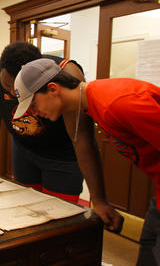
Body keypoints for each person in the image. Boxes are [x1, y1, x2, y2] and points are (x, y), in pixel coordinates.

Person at [13, 58, 160, 265]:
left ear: (53, 89)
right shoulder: (92, 104)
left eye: (33, 104)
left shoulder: (118, 103)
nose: (34, 113)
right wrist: (99, 202)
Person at [0, 42, 122, 232]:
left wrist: (99, 199)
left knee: (59, 219)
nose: (9, 93)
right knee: (24, 213)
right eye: (6, 86)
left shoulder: (68, 74)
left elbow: (82, 137)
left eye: (16, 91)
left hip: (62, 156)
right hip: (24, 149)